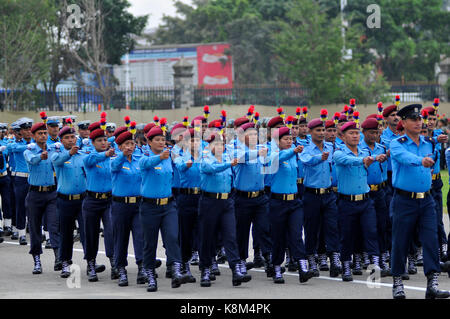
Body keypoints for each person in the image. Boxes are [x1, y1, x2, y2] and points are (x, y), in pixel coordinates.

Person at [390, 104, 450, 299]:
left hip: (426, 200)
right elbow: (404, 157)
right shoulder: (397, 143)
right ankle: (397, 282)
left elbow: (432, 163)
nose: (418, 122)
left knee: (431, 240)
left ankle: (432, 283)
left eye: (419, 119)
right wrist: (420, 160)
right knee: (401, 240)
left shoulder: (429, 143)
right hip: (404, 200)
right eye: (413, 119)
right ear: (403, 122)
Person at [197, 131, 251, 287]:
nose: (220, 147)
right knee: (207, 237)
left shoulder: (228, 157)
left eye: (222, 144)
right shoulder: (205, 158)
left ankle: (236, 270)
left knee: (230, 236)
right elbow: (212, 169)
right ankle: (205, 269)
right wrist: (229, 164)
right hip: (209, 201)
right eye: (217, 144)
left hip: (227, 202)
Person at [139, 126, 188, 292]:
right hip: (149, 206)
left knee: (172, 237)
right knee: (150, 242)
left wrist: (187, 162)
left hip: (168, 205)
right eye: (157, 140)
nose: (161, 142)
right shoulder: (145, 155)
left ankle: (175, 270)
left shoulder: (169, 155)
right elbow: (144, 164)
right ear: (149, 142)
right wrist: (160, 157)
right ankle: (150, 275)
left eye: (162, 139)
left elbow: (180, 164)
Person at [334, 121, 381, 282]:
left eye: (356, 133)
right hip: (347, 202)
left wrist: (369, 158)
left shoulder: (363, 151)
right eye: (351, 133)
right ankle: (346, 265)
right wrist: (368, 159)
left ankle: (375, 268)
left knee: (371, 232)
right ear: (343, 136)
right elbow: (350, 161)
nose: (355, 136)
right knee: (347, 235)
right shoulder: (338, 153)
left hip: (365, 201)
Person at [268, 127, 314, 284]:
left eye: (290, 139)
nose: (289, 141)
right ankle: (276, 267)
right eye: (285, 139)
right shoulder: (274, 155)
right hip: (277, 202)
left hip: (294, 202)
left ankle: (303, 267)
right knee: (278, 237)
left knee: (296, 234)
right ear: (278, 142)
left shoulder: (295, 156)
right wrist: (293, 151)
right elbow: (278, 159)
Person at [50, 126, 95, 278]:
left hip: (83, 200)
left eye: (73, 137)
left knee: (86, 232)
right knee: (66, 233)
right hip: (65, 201)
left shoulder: (82, 155)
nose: (71, 140)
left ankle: (91, 262)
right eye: (67, 138)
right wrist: (69, 153)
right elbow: (57, 161)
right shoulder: (58, 154)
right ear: (61, 141)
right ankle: (65, 262)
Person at [299, 118, 341, 278]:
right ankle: (311, 259)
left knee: (332, 227)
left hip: (328, 194)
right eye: (318, 130)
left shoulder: (331, 146)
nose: (322, 133)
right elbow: (306, 161)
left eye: (323, 130)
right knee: (312, 229)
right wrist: (319, 158)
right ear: (310, 132)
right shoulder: (306, 149)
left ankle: (335, 259)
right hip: (312, 194)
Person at [233, 122, 272, 277]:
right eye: (251, 134)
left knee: (264, 228)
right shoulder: (236, 150)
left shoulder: (261, 150)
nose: (255, 137)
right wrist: (259, 153)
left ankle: (269, 259)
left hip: (260, 197)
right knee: (241, 231)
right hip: (242, 198)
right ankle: (241, 260)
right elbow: (242, 158)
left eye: (256, 134)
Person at [23, 122, 60, 274]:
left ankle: (59, 258)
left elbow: (60, 160)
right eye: (40, 133)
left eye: (45, 133)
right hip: (35, 194)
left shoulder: (54, 149)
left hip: (51, 194)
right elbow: (32, 160)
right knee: (35, 228)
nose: (43, 136)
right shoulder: (29, 150)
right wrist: (41, 156)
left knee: (54, 226)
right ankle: (37, 260)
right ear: (33, 136)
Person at [110, 130, 146, 287]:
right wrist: (122, 155)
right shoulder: (115, 160)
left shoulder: (140, 159)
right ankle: (121, 269)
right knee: (121, 238)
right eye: (126, 144)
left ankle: (142, 268)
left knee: (140, 236)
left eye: (132, 144)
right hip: (120, 205)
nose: (130, 147)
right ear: (119, 146)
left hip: (138, 204)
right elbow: (115, 166)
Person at [82, 125, 116, 282]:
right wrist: (105, 154)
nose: (103, 143)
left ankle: (114, 262)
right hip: (92, 201)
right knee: (91, 234)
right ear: (92, 142)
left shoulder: (112, 157)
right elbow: (89, 161)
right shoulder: (90, 156)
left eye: (105, 140)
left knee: (110, 231)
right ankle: (91, 263)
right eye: (99, 140)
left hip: (109, 200)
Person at [360, 118, 391, 277]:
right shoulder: (359, 149)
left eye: (377, 132)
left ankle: (381, 256)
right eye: (371, 132)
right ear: (363, 132)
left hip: (380, 191)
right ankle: (368, 257)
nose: (374, 135)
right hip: (365, 192)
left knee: (382, 224)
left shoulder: (382, 148)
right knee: (368, 227)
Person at [173, 128, 201, 283]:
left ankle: (206, 266)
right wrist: (188, 164)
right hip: (185, 197)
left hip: (202, 197)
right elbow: (180, 167)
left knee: (203, 231)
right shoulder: (178, 155)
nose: (195, 143)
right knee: (186, 233)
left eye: (197, 140)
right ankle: (185, 264)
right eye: (191, 140)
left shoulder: (205, 155)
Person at [8, 118, 34, 245]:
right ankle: (22, 234)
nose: (29, 132)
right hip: (20, 178)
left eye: (30, 129)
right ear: (20, 132)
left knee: (35, 206)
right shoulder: (15, 144)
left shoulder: (36, 142)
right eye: (25, 130)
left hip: (34, 178)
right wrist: (29, 146)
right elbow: (16, 148)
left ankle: (39, 231)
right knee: (20, 206)